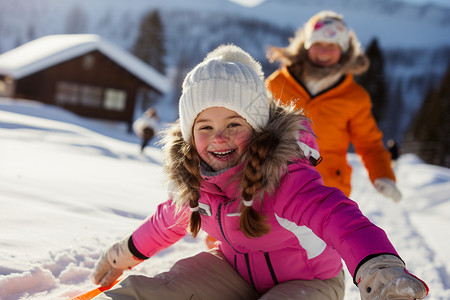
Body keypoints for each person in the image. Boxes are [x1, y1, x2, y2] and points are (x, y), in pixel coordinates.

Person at [91, 45, 428, 300]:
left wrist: (379, 269)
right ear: (189, 134)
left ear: (257, 126)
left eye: (234, 123)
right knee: (157, 290)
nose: (218, 137)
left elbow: (338, 218)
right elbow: (165, 222)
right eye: (205, 126)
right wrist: (121, 255)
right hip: (233, 270)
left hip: (309, 283)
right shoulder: (198, 181)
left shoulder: (285, 176)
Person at [265, 11, 402, 202]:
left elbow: (369, 144)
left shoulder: (354, 97)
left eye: (332, 45)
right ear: (307, 45)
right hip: (275, 184)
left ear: (344, 50)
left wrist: (383, 175)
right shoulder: (277, 84)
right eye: (318, 44)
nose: (324, 51)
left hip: (327, 190)